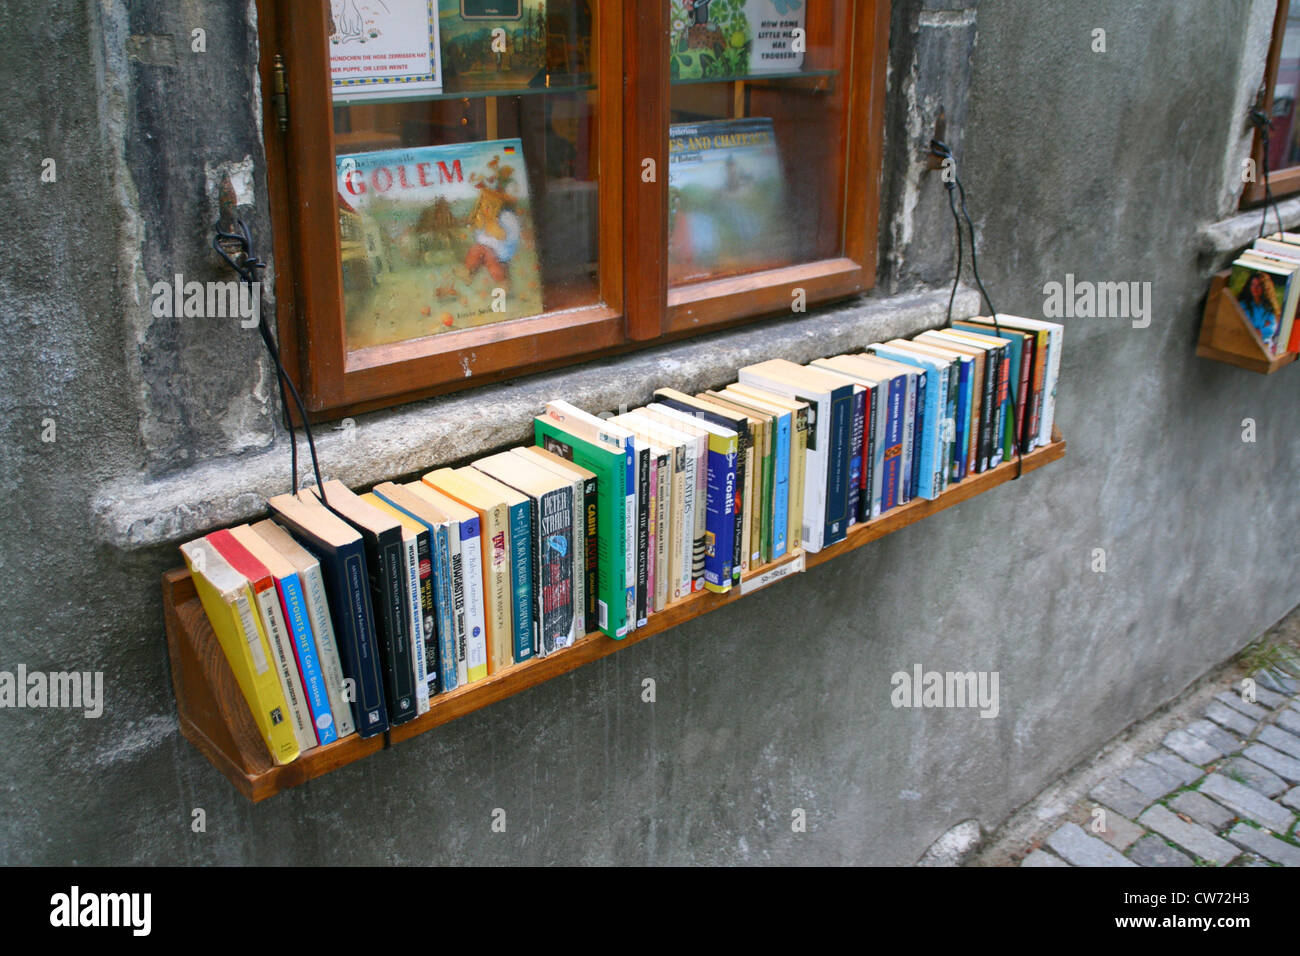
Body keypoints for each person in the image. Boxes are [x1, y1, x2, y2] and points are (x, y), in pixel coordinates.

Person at [1238, 270, 1281, 351]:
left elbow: (1272, 328)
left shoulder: (1269, 307)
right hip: (1244, 343)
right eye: (1252, 285)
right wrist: (1263, 325)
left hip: (1265, 346)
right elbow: (1243, 327)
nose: (1255, 288)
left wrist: (1259, 331)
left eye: (1259, 285)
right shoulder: (1242, 305)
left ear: (1264, 288)